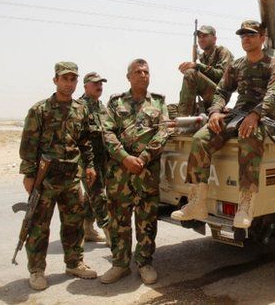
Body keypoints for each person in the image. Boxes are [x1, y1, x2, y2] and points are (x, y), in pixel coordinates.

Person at [171, 20, 275, 229]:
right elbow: (222, 91)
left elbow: (273, 94)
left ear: (262, 38)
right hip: (240, 111)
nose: (246, 38)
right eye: (243, 35)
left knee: (250, 135)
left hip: (267, 111)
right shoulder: (237, 65)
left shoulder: (274, 65)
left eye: (251, 35)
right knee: (200, 139)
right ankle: (197, 202)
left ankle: (245, 203)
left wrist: (255, 114)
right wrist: (214, 112)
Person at [18, 62, 98, 291]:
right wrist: (28, 174)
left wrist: (90, 166)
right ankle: (36, 270)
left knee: (74, 223)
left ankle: (74, 263)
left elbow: (84, 142)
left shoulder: (80, 109)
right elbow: (29, 144)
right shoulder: (40, 110)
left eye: (73, 79)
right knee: (38, 226)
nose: (69, 83)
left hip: (72, 176)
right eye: (65, 79)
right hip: (46, 178)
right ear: (55, 80)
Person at [100, 59, 169, 285]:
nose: (142, 75)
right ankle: (120, 264)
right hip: (120, 174)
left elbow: (163, 132)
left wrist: (144, 157)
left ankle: (144, 262)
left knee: (146, 219)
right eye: (137, 72)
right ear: (128, 76)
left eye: (146, 72)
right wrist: (124, 158)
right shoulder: (115, 102)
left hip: (146, 172)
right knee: (119, 220)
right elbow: (107, 133)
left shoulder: (158, 103)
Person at [80, 72, 110, 244]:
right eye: (95, 83)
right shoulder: (79, 107)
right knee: (98, 194)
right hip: (86, 160)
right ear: (85, 86)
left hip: (102, 158)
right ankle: (108, 231)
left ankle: (87, 228)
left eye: (101, 83)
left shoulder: (101, 106)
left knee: (91, 194)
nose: (99, 86)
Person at [177, 25, 233, 117]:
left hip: (221, 96)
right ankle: (185, 114)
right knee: (172, 107)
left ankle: (182, 118)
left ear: (214, 39)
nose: (201, 39)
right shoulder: (203, 57)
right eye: (199, 37)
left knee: (191, 74)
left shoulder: (222, 51)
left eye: (205, 36)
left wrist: (197, 66)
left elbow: (221, 75)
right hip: (210, 97)